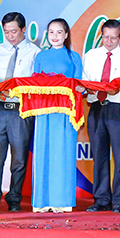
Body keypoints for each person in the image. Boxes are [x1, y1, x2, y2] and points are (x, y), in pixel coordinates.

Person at [0, 12, 41, 212]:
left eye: (14, 31)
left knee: (19, 157)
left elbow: (37, 81)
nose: (10, 36)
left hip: (21, 110)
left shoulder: (35, 52)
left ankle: (14, 197)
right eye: (6, 32)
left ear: (23, 30)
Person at [82, 19, 120, 213]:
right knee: (99, 156)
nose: (109, 41)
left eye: (113, 37)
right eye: (105, 36)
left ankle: (119, 200)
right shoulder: (91, 55)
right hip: (96, 107)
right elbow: (84, 81)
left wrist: (119, 91)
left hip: (118, 109)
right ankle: (101, 199)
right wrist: (87, 89)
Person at [32, 18, 83, 213]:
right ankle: (42, 201)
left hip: (65, 112)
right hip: (44, 111)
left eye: (59, 32)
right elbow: (34, 85)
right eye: (51, 32)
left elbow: (80, 87)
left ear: (66, 34)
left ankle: (62, 200)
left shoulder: (74, 57)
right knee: (43, 151)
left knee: (63, 153)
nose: (55, 36)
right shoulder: (40, 57)